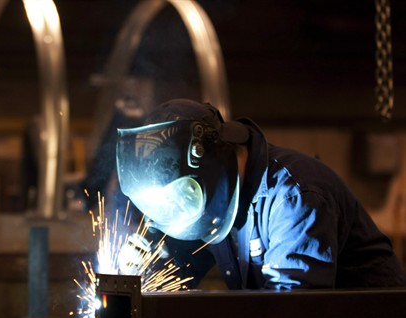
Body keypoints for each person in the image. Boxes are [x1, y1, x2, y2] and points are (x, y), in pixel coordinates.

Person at [115, 98, 406, 289]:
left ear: (208, 164)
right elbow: (176, 272)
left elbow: (288, 314)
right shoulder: (215, 204)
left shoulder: (294, 198)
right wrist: (145, 269)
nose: (184, 205)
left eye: (185, 194)